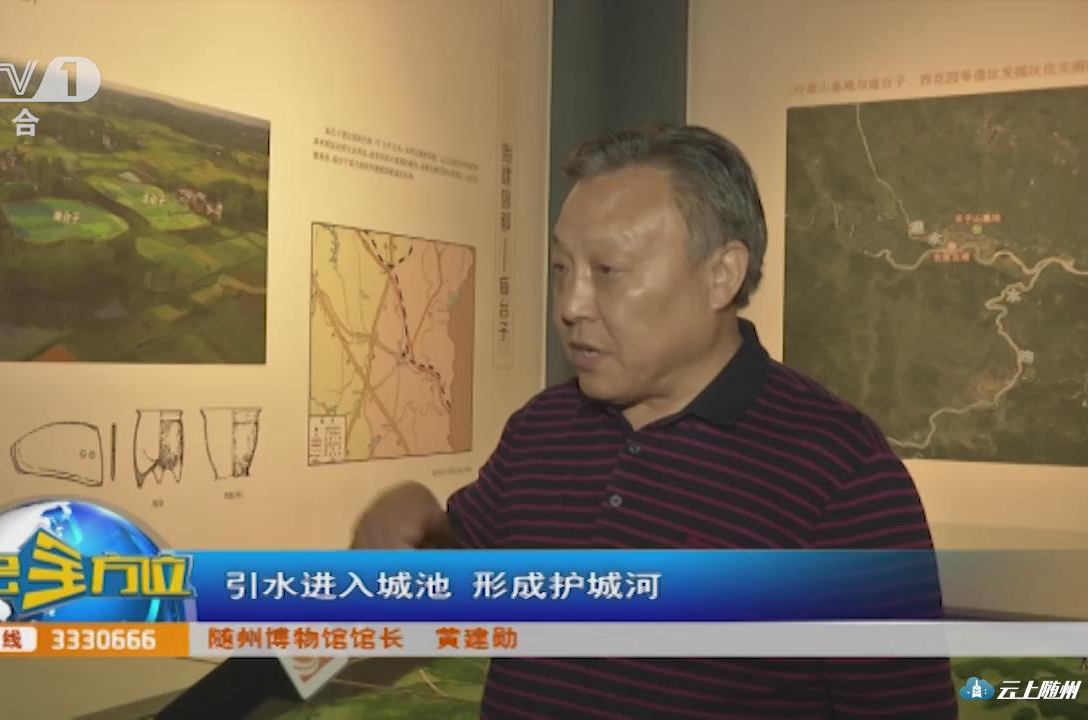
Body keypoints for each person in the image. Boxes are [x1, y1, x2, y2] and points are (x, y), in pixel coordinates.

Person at [353, 123, 958, 718]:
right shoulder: (541, 429)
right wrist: (410, 521)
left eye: (608, 270)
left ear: (721, 275)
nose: (571, 305)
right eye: (561, 268)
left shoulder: (841, 473)